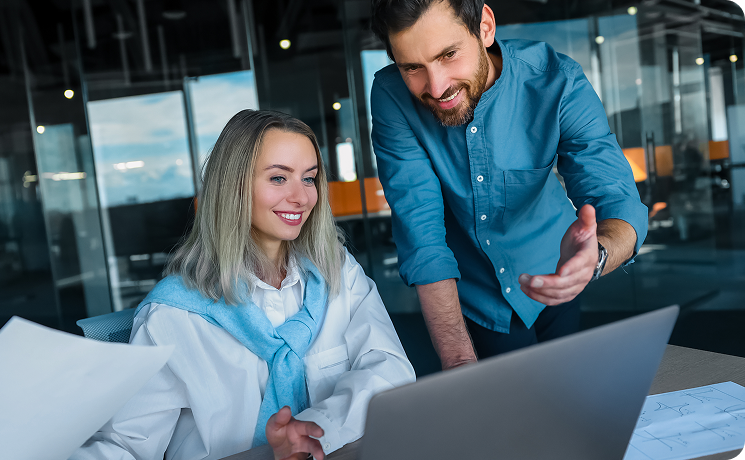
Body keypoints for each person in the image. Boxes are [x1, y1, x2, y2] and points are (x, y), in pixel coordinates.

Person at [70, 110, 415, 460]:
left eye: (309, 179)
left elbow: (389, 370)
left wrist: (314, 429)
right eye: (278, 178)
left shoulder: (337, 273)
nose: (301, 197)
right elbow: (126, 445)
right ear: (233, 186)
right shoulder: (173, 316)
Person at [369, 0, 648, 369]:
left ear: (485, 27)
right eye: (413, 67)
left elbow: (615, 197)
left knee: (564, 392)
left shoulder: (557, 80)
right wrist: (458, 362)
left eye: (449, 55)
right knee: (501, 404)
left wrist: (595, 257)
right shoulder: (391, 96)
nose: (436, 87)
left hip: (556, 270)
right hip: (474, 297)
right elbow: (422, 233)